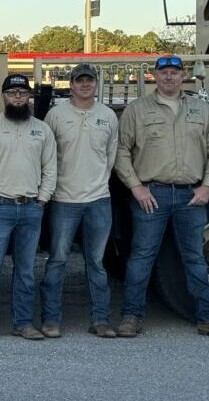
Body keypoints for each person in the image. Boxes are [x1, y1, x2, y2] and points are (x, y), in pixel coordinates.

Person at [115, 55, 209, 337]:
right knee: (142, 256)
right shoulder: (137, 110)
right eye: (164, 72)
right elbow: (121, 151)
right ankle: (132, 317)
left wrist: (206, 186)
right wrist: (135, 187)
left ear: (184, 77)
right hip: (151, 195)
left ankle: (205, 316)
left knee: (194, 259)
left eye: (175, 72)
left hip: (191, 197)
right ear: (155, 75)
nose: (169, 77)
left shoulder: (201, 109)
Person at [0, 73, 56, 341]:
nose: (17, 97)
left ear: (30, 96)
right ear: (4, 96)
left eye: (22, 93)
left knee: (26, 270)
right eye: (12, 93)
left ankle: (24, 323)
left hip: (31, 208)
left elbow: (50, 168)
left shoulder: (42, 129)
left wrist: (42, 199)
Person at [39, 64, 118, 339]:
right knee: (57, 260)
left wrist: (97, 183)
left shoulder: (108, 116)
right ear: (71, 84)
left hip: (98, 200)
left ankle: (101, 320)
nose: (84, 85)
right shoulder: (56, 115)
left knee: (96, 262)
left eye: (89, 80)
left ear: (96, 84)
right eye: (79, 80)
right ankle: (51, 320)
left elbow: (110, 156)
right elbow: (46, 156)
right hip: (64, 199)